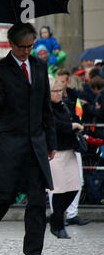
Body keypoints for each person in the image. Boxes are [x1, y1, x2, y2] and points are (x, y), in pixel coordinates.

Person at [0, 22, 57, 255]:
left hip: (36, 143)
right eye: (22, 47)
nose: (26, 51)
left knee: (37, 201)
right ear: (11, 45)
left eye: (30, 46)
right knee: (3, 199)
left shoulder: (40, 66)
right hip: (8, 143)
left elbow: (46, 107)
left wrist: (51, 142)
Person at [47, 76, 83, 239]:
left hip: (69, 149)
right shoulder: (45, 107)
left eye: (60, 90)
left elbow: (71, 119)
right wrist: (71, 126)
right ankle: (59, 225)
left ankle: (55, 218)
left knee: (75, 186)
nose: (59, 94)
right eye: (55, 91)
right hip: (56, 151)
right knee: (59, 189)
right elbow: (53, 125)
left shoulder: (64, 105)